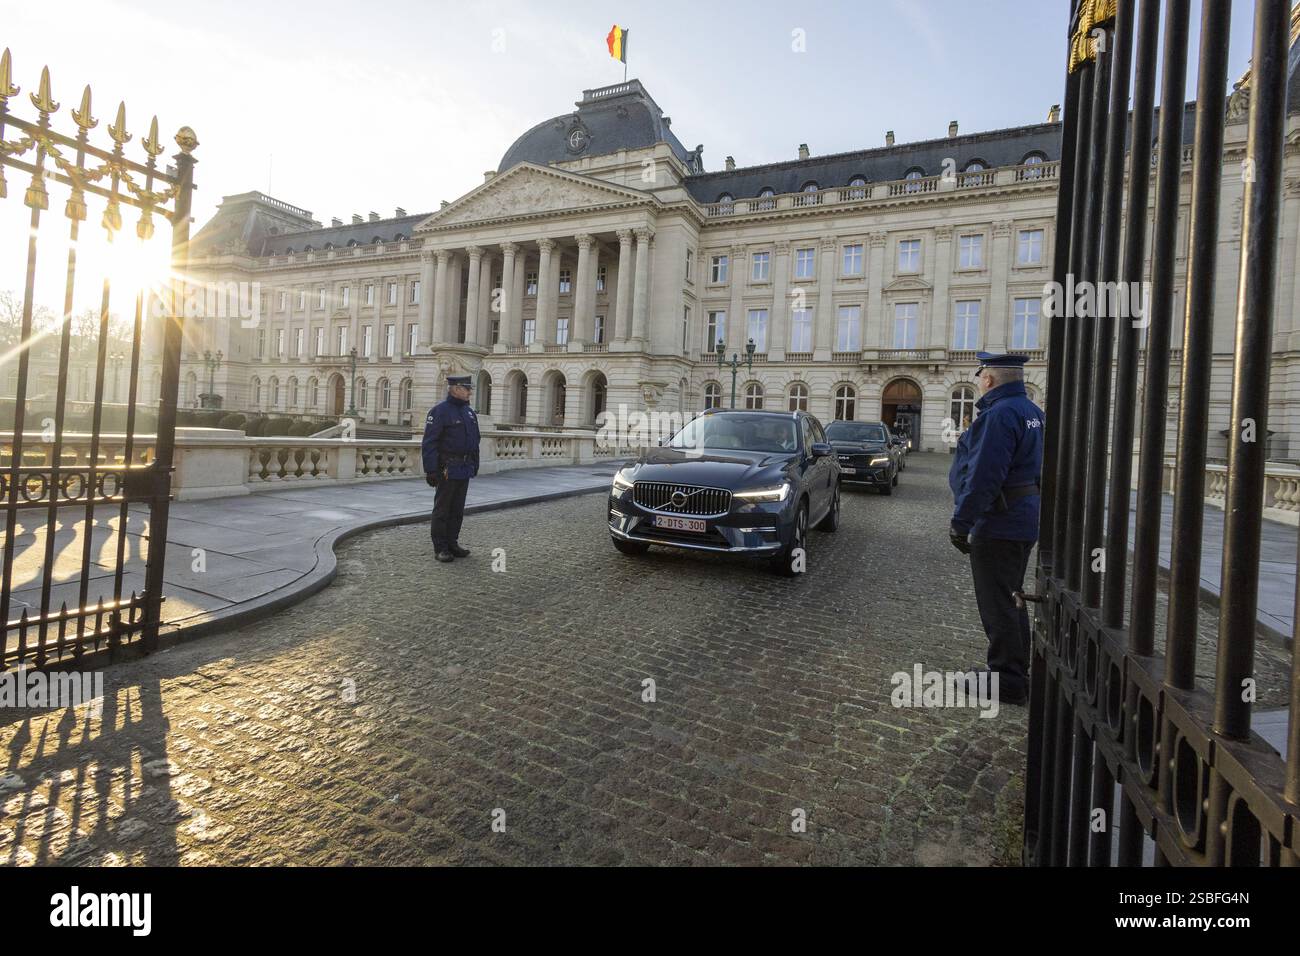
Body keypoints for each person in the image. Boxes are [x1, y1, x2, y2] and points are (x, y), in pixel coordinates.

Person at [948, 352, 1045, 706]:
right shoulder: (1032, 412)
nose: (978, 382)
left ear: (988, 379)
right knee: (1012, 596)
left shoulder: (1000, 415)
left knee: (998, 602)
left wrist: (962, 521)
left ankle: (1007, 678)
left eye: (980, 376)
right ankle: (1015, 670)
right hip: (1022, 518)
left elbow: (984, 474)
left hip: (1001, 521)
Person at [422, 374, 481, 563]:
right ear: (455, 389)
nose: (470, 391)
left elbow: (475, 440)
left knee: (457, 509)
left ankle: (452, 543)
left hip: (464, 467)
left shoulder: (469, 412)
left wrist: (475, 464)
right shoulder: (440, 411)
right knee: (442, 510)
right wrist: (431, 470)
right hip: (447, 468)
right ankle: (440, 548)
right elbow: (430, 443)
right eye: (466, 388)